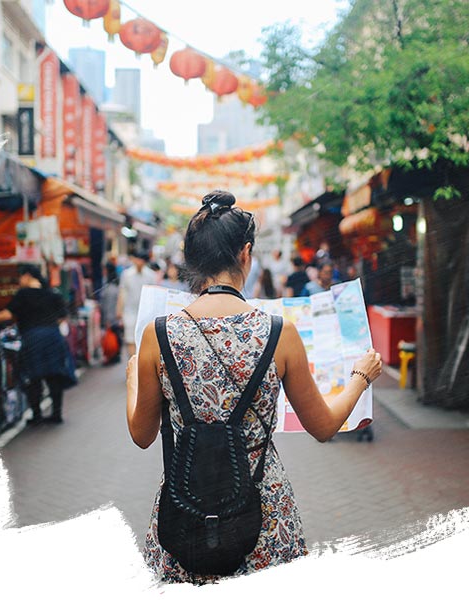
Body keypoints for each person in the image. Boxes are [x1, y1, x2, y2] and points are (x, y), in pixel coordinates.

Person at [126, 190, 382, 584]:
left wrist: (132, 380)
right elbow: (324, 425)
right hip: (263, 512)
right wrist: (360, 377)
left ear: (191, 260)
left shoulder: (157, 335)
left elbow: (142, 435)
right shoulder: (280, 333)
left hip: (186, 510)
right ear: (245, 254)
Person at [0, 264, 76, 425]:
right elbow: (62, 317)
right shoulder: (52, 293)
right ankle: (56, 414)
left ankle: (36, 415)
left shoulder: (24, 294)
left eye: (20, 276)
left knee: (33, 377)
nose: (19, 280)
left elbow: (8, 314)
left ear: (28, 276)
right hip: (53, 337)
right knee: (54, 377)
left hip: (33, 338)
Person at [117, 250, 157, 358]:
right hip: (129, 311)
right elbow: (122, 292)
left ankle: (141, 364)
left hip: (145, 312)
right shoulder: (126, 274)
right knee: (130, 338)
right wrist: (119, 310)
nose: (139, 262)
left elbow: (154, 294)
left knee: (144, 339)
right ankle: (134, 363)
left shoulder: (151, 275)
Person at [100, 261, 122, 365]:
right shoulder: (116, 284)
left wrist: (108, 319)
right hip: (115, 317)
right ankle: (115, 356)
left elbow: (108, 305)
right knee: (116, 337)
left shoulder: (109, 288)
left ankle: (112, 356)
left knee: (112, 339)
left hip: (112, 318)